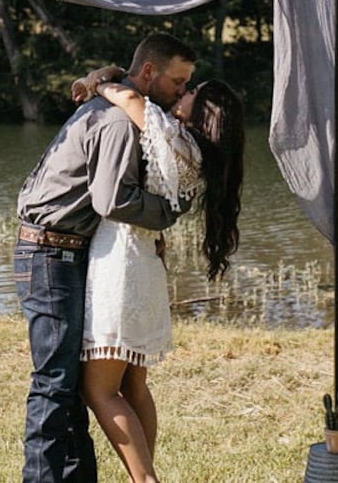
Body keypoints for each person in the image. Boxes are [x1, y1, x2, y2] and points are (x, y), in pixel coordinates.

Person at [14, 32, 197, 483]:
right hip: (49, 252)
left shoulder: (129, 109)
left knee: (73, 382)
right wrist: (169, 212)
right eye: (177, 81)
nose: (181, 92)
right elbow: (113, 200)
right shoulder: (118, 122)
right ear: (150, 73)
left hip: (70, 252)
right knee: (55, 382)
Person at [71, 68, 245, 483]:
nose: (183, 93)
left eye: (192, 92)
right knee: (133, 387)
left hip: (122, 263)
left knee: (99, 389)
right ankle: (143, 477)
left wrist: (98, 83)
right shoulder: (193, 151)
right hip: (145, 263)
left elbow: (132, 101)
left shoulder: (170, 132)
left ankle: (145, 479)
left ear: (203, 112)